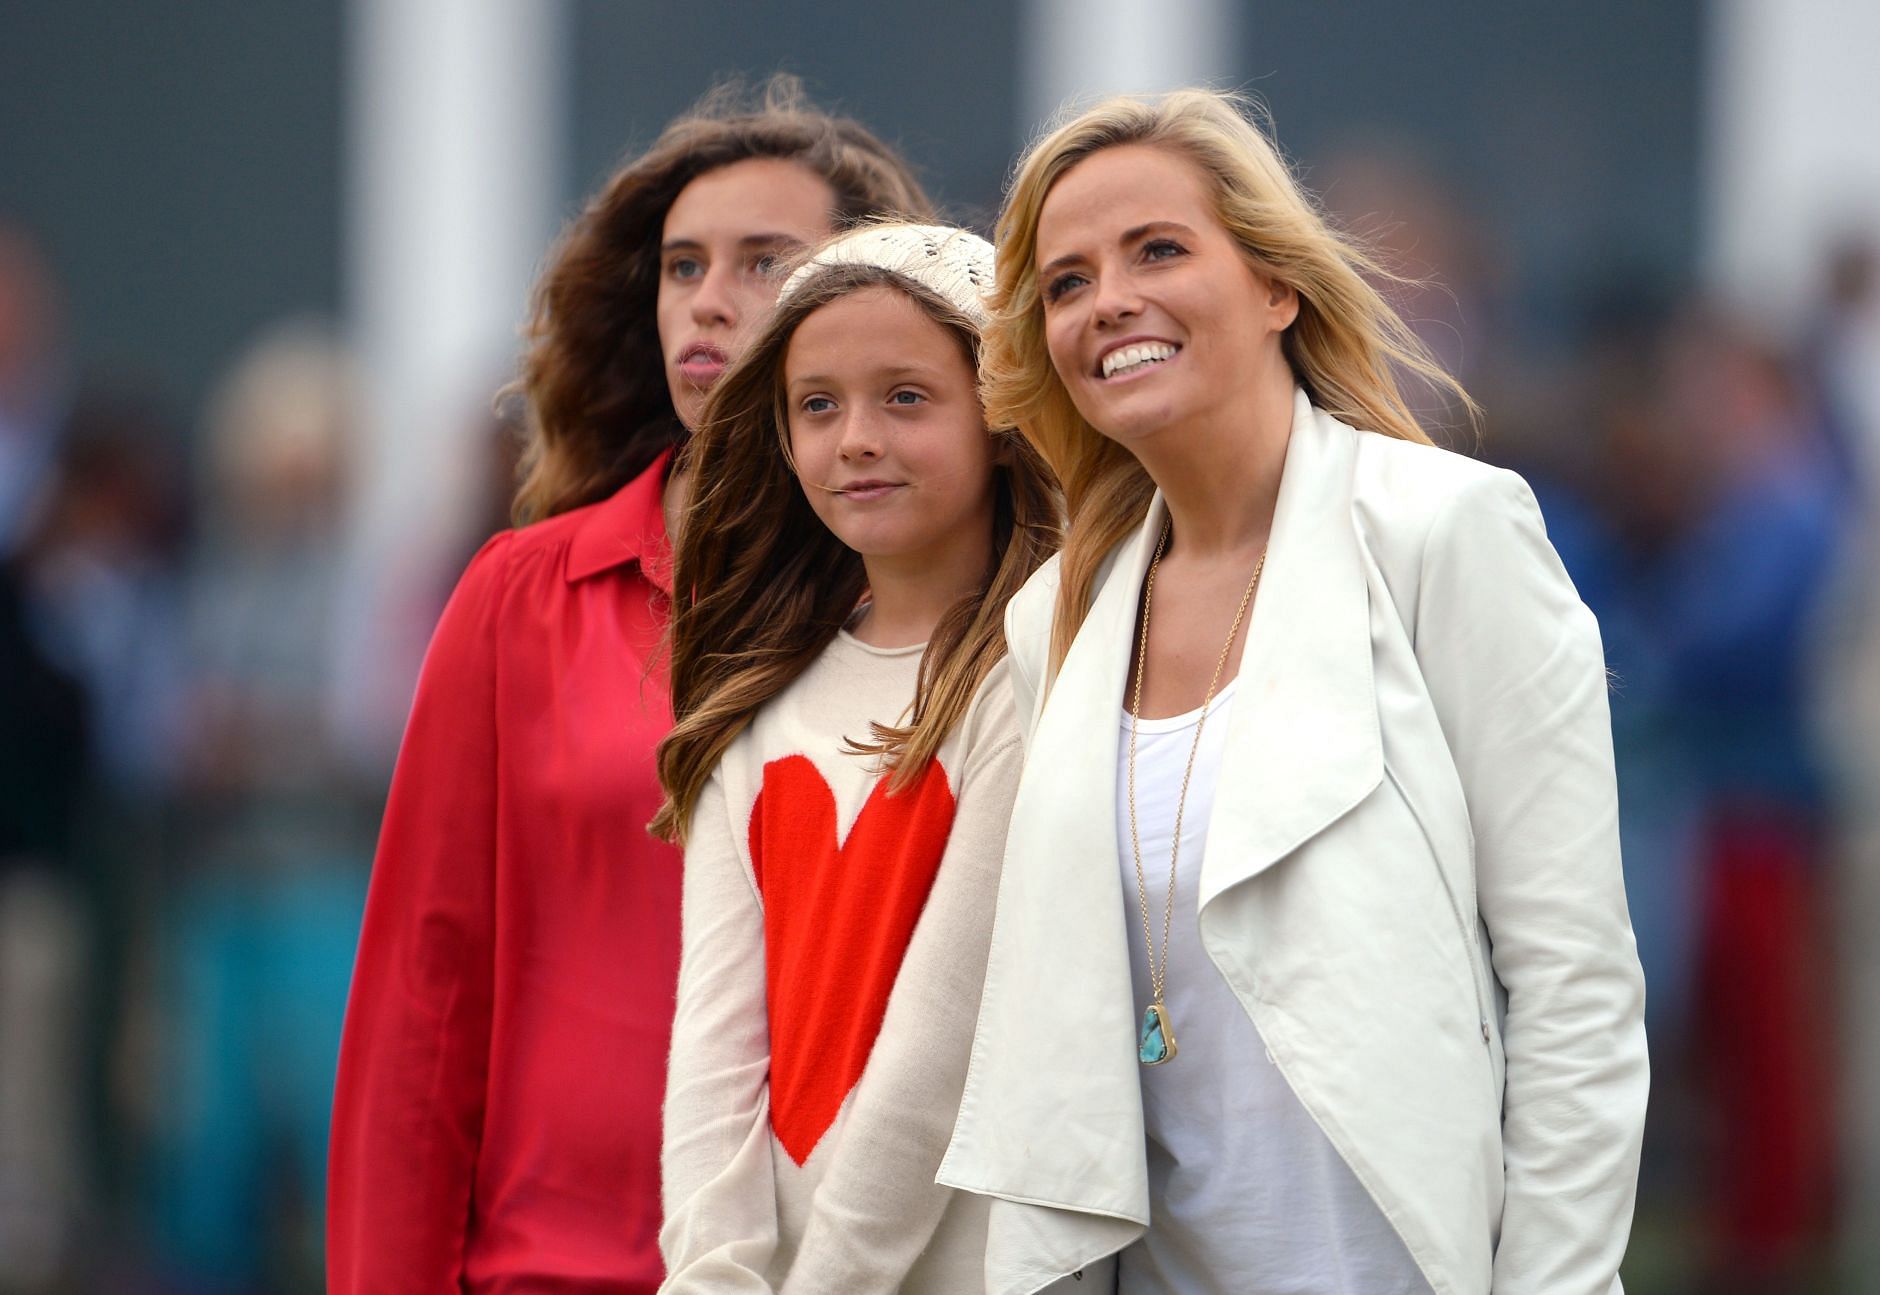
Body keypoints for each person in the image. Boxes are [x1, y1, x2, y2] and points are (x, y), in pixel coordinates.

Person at [936, 91, 1649, 1294]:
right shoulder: (1054, 619)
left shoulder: (1447, 534)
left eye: (1158, 249)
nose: (1108, 298)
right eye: (1066, 281)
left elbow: (1574, 982)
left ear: (1278, 287)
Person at [328, 81, 933, 1293]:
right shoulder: (521, 595)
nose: (709, 299)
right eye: (681, 266)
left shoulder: (939, 611)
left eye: (766, 261)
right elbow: (421, 1000)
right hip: (551, 1264)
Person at [651, 223, 1062, 1292]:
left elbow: (940, 1037)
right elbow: (714, 1052)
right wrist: (712, 1274)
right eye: (818, 404)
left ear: (1003, 420)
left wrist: (829, 1280)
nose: (857, 439)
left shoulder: (1034, 677)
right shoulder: (750, 709)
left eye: (907, 397)